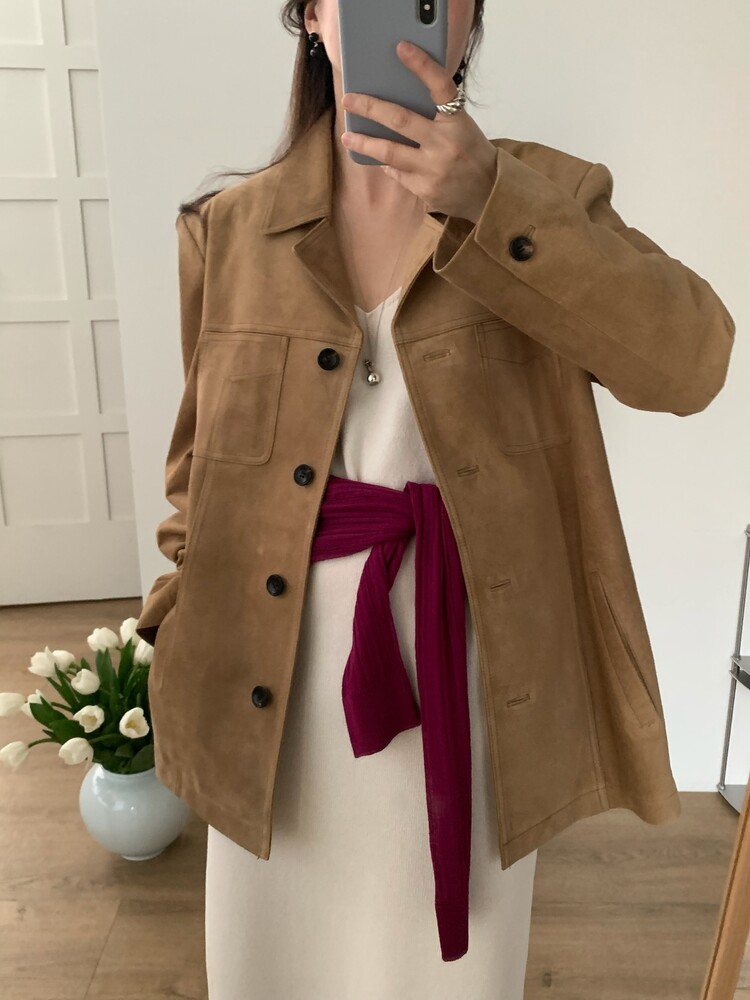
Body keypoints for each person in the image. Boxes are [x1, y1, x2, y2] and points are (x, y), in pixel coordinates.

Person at [134, 0, 735, 997]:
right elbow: (196, 479)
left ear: (470, 20)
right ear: (313, 17)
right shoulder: (228, 232)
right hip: (270, 697)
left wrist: (494, 199)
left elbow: (692, 364)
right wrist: (170, 633)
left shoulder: (546, 199)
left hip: (475, 687)